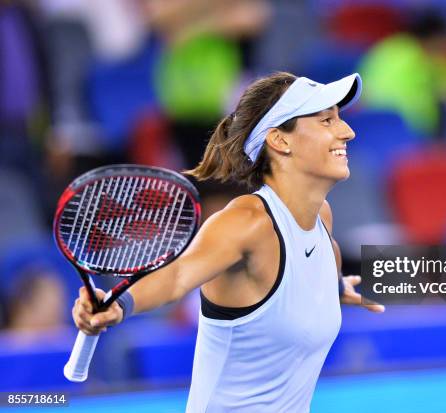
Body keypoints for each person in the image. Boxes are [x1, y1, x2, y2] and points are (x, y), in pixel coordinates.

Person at [72, 71, 384, 412]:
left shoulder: (321, 217)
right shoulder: (247, 222)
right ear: (280, 141)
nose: (347, 131)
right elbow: (178, 274)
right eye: (327, 121)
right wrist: (120, 304)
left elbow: (311, 264)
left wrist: (333, 287)